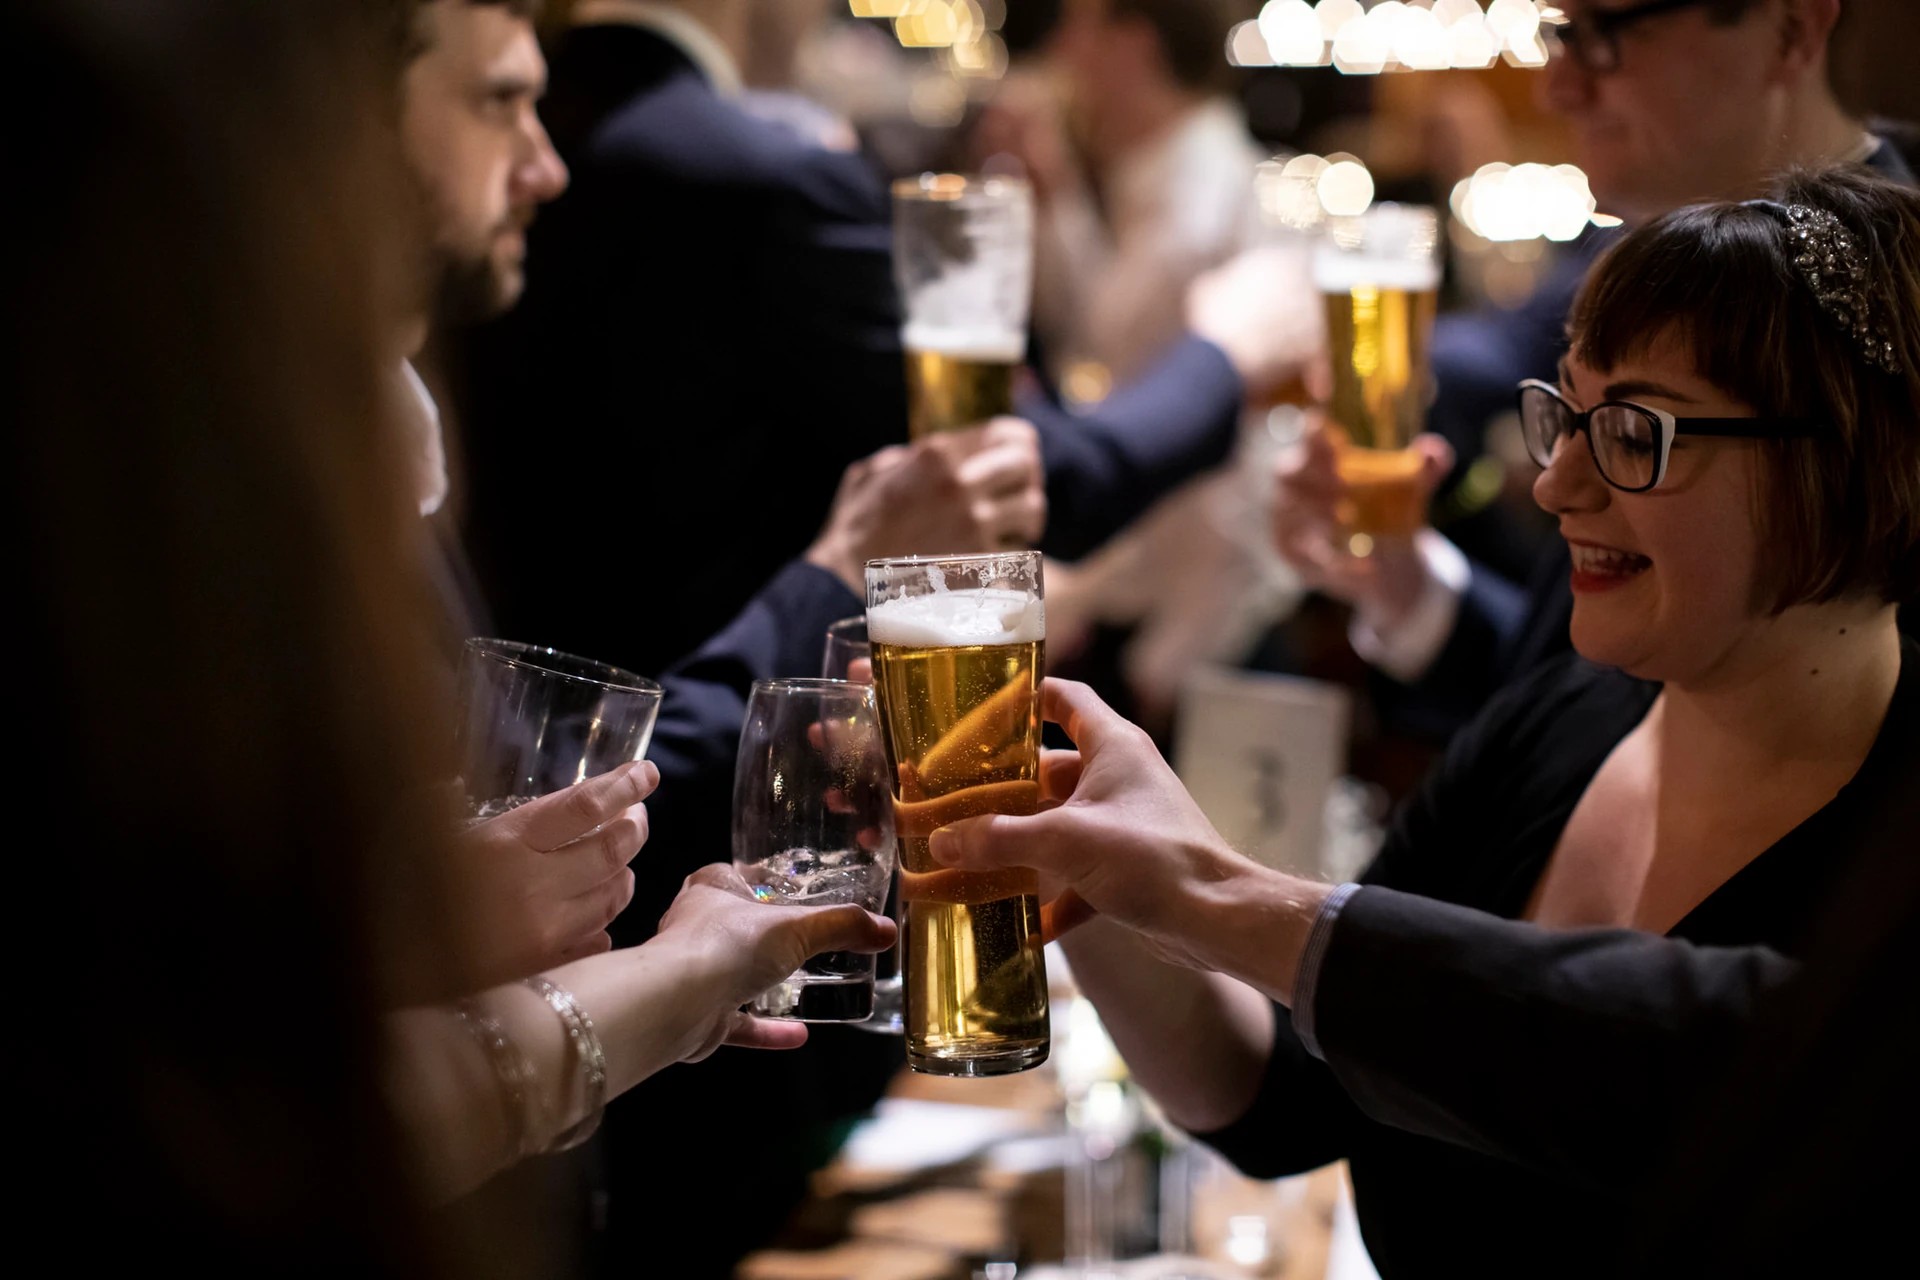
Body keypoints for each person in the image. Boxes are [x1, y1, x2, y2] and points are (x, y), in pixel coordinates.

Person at [19, 0, 892, 1272]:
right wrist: (675, 971)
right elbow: (240, 1091)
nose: (549, 165)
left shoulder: (359, 434)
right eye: (499, 101)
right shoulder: (158, 490)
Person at [922, 166, 1920, 1275]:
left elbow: (1694, 1073)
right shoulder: (1557, 720)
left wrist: (1208, 890)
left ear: (1851, 461)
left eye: (1635, 433)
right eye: (1565, 416)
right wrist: (1083, 865)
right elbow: (1281, 1100)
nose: (1556, 486)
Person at [449, 0, 1309, 685]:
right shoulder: (772, 177)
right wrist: (1223, 360)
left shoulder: (528, 127)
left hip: (512, 709)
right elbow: (999, 475)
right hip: (712, 744)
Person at [1273, 0, 1914, 740]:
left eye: (1604, 34)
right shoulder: (1634, 246)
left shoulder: (1890, 327)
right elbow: (1569, 709)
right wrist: (1406, 581)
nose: (1556, 89)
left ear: (1793, 30)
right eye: (1558, 35)